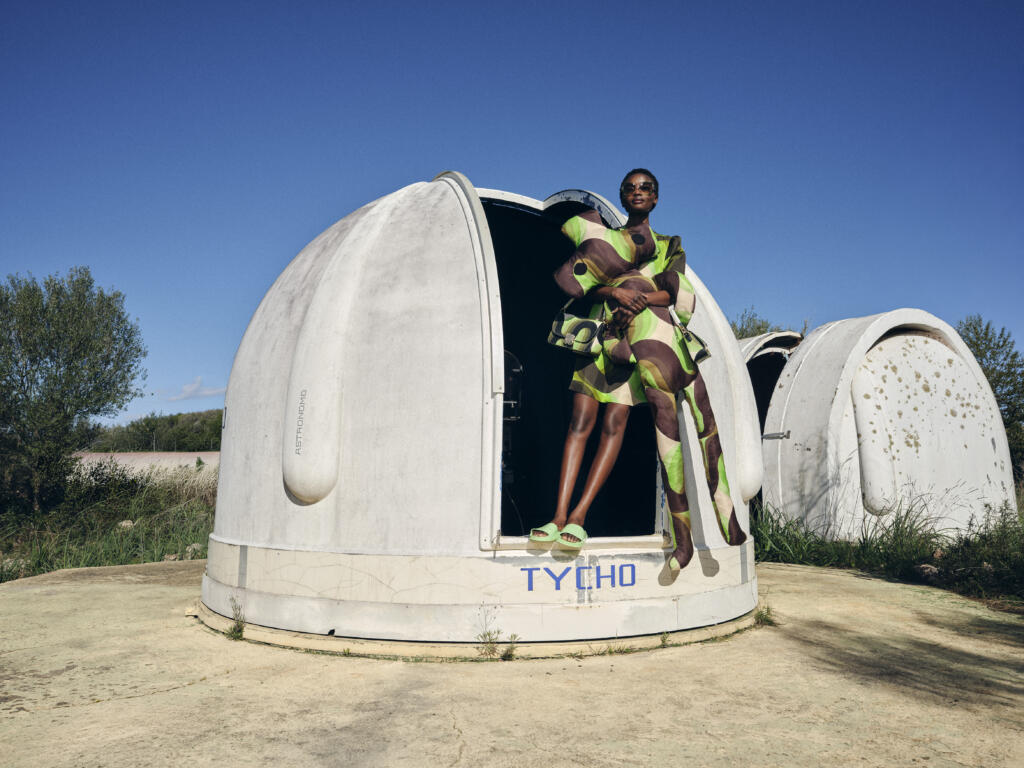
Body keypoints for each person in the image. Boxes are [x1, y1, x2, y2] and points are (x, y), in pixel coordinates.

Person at [529, 169, 747, 571]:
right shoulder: (606, 240)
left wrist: (641, 299)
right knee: (580, 420)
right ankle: (557, 515)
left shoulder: (667, 245)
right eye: (630, 188)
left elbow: (674, 291)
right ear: (622, 196)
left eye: (645, 188)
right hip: (601, 334)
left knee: (615, 423)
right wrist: (615, 291)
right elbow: (585, 281)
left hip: (638, 342)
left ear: (656, 198)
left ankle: (579, 515)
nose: (638, 193)